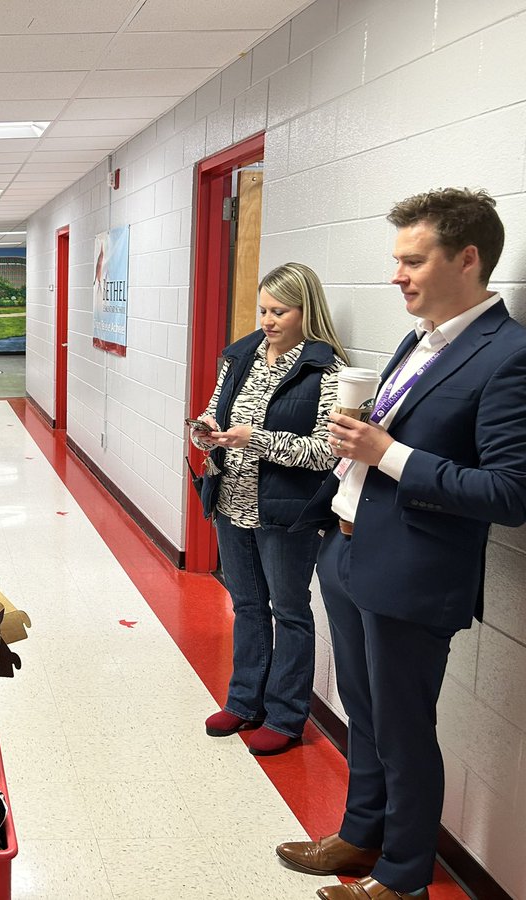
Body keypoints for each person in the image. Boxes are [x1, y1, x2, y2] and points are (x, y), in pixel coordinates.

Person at [276, 189, 526, 900]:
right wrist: (352, 449)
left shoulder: (507, 355)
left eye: (412, 260)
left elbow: (509, 492)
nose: (397, 275)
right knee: (363, 712)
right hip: (351, 549)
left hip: (415, 572)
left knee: (405, 727)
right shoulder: (421, 340)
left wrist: (388, 454)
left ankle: (404, 876)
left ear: (468, 258)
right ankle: (360, 835)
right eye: (397, 261)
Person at [192, 262, 348, 756]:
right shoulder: (241, 357)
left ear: (307, 311)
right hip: (231, 501)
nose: (267, 320)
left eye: (280, 311)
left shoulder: (325, 371)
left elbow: (326, 452)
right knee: (247, 605)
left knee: (290, 611)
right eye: (263, 309)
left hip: (287, 513)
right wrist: (204, 430)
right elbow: (217, 409)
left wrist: (255, 440)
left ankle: (284, 715)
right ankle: (244, 702)